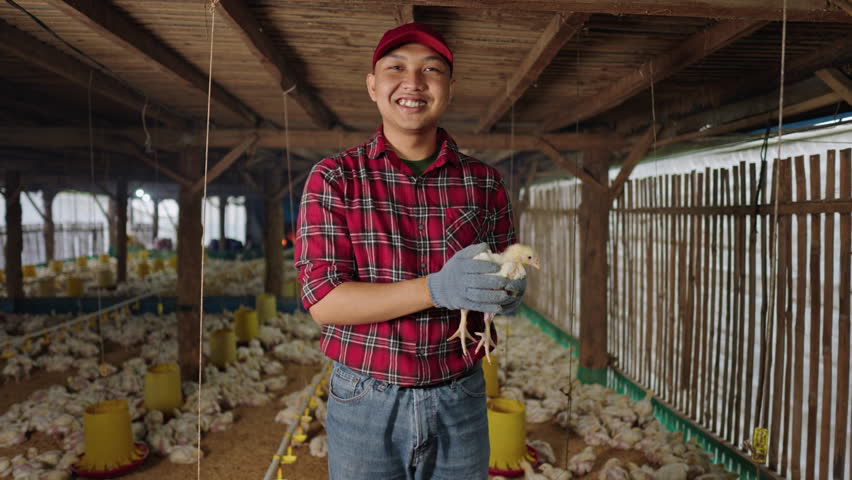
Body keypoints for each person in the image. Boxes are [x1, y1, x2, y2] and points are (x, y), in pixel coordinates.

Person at [295, 22, 526, 480]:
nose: (413, 83)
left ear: (449, 88)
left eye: (431, 70)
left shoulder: (485, 183)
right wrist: (438, 288)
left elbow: (505, 271)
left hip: (459, 396)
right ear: (372, 86)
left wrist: (506, 292)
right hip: (365, 398)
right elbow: (324, 303)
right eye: (395, 68)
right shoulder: (336, 179)